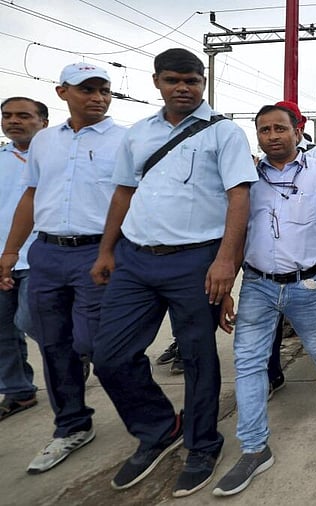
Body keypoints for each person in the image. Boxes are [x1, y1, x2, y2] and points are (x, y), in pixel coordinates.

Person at [89, 48, 257, 497]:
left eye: (191, 81)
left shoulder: (224, 132)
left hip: (196, 261)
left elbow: (239, 197)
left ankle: (202, 444)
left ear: (203, 83)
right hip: (135, 259)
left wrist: (226, 261)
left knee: (199, 358)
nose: (183, 88)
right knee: (109, 356)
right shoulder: (139, 133)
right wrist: (106, 251)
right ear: (157, 82)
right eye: (173, 80)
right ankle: (160, 428)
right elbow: (124, 193)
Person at [211, 104, 316, 496]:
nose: (272, 136)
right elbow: (236, 234)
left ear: (297, 132)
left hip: (309, 284)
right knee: (248, 362)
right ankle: (255, 448)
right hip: (257, 284)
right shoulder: (245, 181)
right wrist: (227, 287)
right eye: (264, 130)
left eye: (279, 128)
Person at [0, 63, 126, 473]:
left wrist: (113, 252)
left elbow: (131, 199)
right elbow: (31, 196)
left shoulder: (125, 140)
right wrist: (10, 251)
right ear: (62, 92)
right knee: (53, 344)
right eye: (87, 89)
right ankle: (71, 425)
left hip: (99, 253)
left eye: (104, 90)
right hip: (47, 253)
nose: (98, 98)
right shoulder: (45, 142)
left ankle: (146, 415)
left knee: (96, 343)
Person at [0, 97, 48, 422]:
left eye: (23, 115)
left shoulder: (56, 157)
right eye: (7, 116)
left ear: (43, 122)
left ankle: (72, 355)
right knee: (2, 330)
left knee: (30, 320)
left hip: (40, 255)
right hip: (2, 256)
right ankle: (18, 391)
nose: (13, 121)